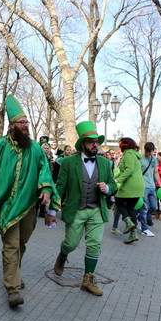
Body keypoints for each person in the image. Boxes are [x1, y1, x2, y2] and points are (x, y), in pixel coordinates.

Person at [0, 95, 59, 307]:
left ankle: (13, 273)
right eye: (22, 122)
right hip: (7, 205)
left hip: (29, 206)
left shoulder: (35, 148)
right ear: (12, 125)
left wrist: (45, 189)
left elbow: (44, 170)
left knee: (21, 244)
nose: (26, 126)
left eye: (27, 122)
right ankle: (12, 288)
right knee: (11, 246)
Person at [47, 121, 116, 296]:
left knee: (94, 244)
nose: (95, 144)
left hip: (96, 210)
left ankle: (88, 280)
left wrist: (107, 188)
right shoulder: (69, 162)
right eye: (91, 141)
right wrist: (52, 212)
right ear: (83, 144)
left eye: (96, 141)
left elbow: (113, 185)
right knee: (71, 243)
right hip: (76, 209)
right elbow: (60, 188)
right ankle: (63, 255)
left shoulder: (105, 163)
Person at [113, 137, 144, 244]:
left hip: (131, 184)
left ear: (124, 145)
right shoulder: (134, 155)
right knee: (131, 209)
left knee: (118, 201)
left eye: (120, 144)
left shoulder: (129, 154)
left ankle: (128, 222)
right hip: (138, 186)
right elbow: (122, 170)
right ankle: (133, 234)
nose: (119, 147)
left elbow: (129, 169)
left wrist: (118, 180)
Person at [136, 142, 161, 237]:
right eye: (148, 152)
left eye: (151, 152)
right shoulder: (139, 159)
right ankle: (144, 229)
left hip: (152, 186)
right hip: (143, 187)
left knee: (154, 207)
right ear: (145, 150)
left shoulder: (153, 159)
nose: (149, 154)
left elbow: (155, 172)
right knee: (145, 208)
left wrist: (159, 184)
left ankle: (138, 217)